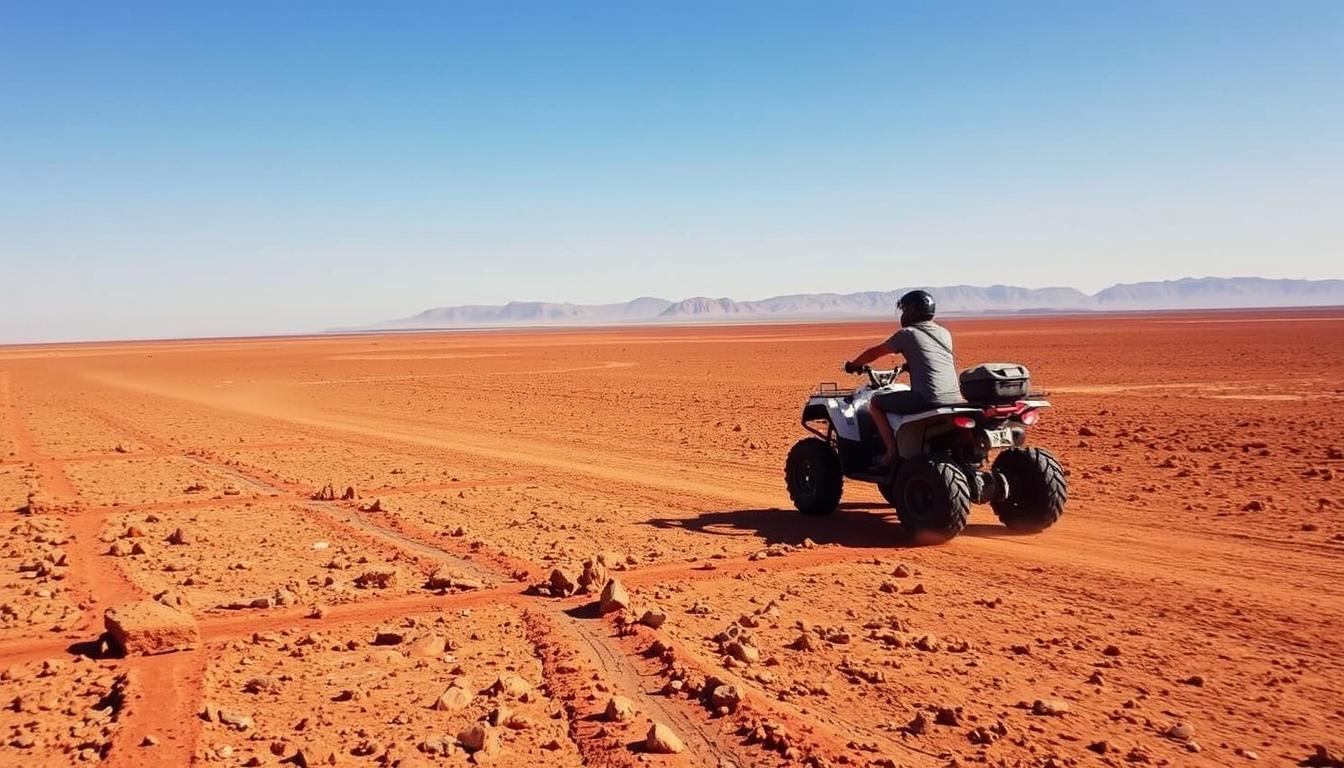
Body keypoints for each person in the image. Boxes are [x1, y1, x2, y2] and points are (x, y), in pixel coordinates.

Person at [844, 290, 961, 468]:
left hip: (927, 399)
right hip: (954, 398)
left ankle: (891, 452)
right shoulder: (944, 333)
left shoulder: (908, 334)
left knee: (875, 403)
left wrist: (853, 364)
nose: (903, 314)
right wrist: (911, 365)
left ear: (912, 311)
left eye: (905, 310)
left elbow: (875, 352)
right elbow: (932, 357)